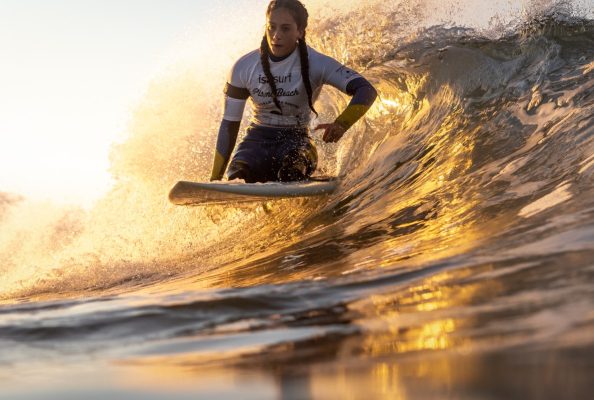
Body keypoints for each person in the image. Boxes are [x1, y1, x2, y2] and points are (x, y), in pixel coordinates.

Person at [210, 0, 377, 183]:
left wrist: (341, 124)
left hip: (297, 141)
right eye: (271, 27)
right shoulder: (243, 67)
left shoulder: (317, 63)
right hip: (256, 142)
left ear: (300, 31)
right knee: (236, 175)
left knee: (291, 172)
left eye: (285, 29)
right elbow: (229, 124)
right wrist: (214, 180)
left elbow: (366, 90)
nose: (276, 35)